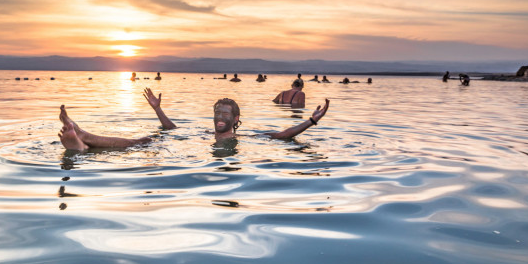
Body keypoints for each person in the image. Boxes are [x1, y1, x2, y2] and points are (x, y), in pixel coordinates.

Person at [58, 89, 329, 150]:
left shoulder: (243, 138)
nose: (219, 118)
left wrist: (311, 121)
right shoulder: (204, 135)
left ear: (235, 119)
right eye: (216, 113)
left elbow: (282, 135)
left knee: (142, 143)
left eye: (225, 114)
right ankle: (81, 142)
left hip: (192, 158)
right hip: (187, 150)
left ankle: (83, 140)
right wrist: (157, 109)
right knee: (146, 140)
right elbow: (172, 129)